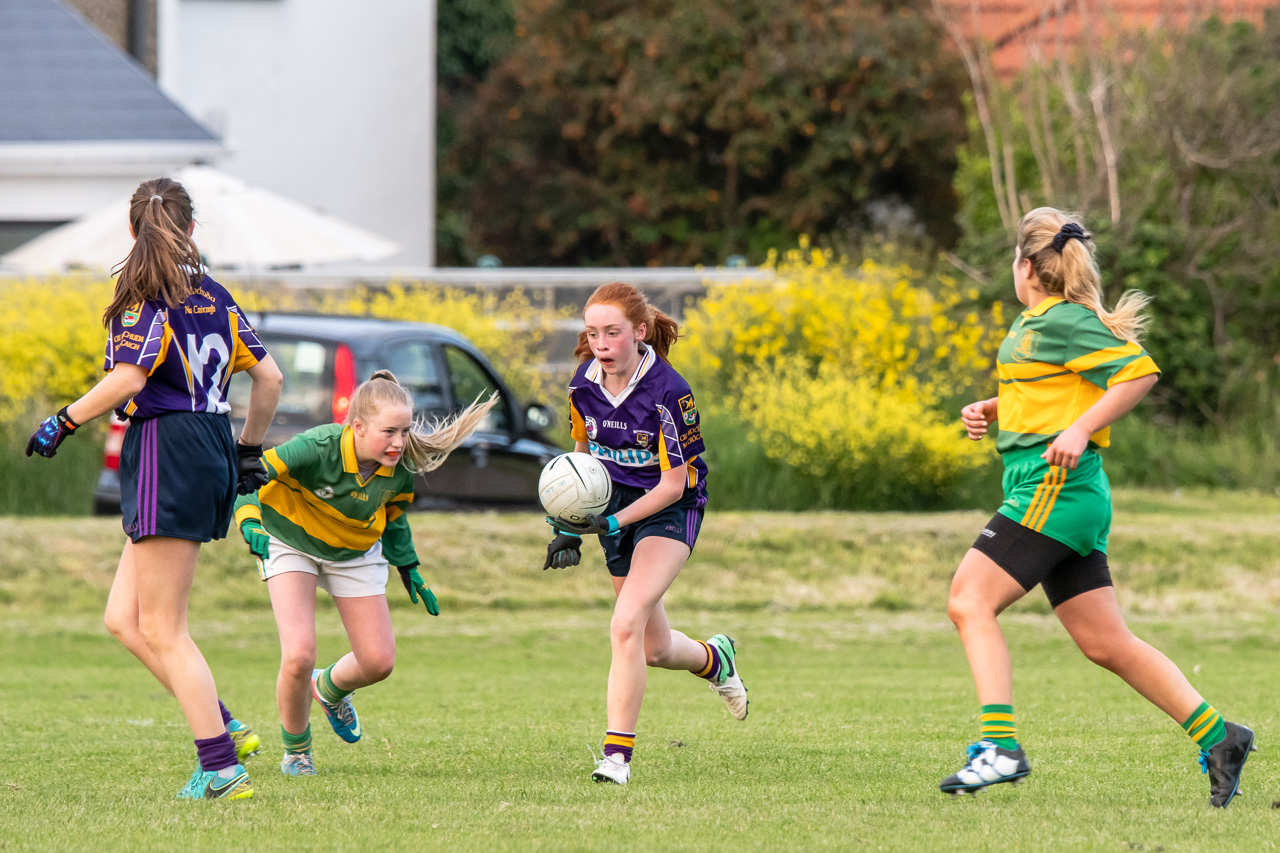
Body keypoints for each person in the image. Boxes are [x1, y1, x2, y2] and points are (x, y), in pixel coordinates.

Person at [940, 208, 1253, 806]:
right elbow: (1046, 392)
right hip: (1060, 493)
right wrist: (994, 407)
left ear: (1026, 267)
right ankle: (1222, 737)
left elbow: (1139, 373)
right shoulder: (1035, 325)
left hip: (1055, 489)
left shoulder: (1064, 321)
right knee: (1105, 642)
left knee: (968, 599)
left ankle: (998, 748)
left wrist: (1081, 430)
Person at [26, 177, 283, 800]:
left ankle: (221, 766)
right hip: (211, 442)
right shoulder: (216, 295)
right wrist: (248, 449)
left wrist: (64, 419)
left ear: (132, 231)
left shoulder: (144, 298)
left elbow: (129, 378)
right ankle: (221, 725)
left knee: (164, 626)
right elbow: (269, 379)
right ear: (192, 231)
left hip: (168, 448)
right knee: (125, 619)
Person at [233, 371, 496, 777]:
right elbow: (248, 477)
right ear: (357, 426)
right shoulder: (317, 446)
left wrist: (409, 568)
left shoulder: (399, 467)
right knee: (300, 654)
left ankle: (330, 690)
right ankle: (297, 752)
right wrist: (249, 522)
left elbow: (392, 518)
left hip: (353, 549)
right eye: (389, 431)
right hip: (287, 538)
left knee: (378, 662)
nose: (399, 442)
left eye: (405, 431)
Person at [544, 282, 748, 786]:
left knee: (624, 623)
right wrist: (567, 527)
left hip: (667, 510)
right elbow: (581, 462)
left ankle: (616, 757)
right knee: (652, 648)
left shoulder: (668, 391)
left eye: (612, 333)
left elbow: (673, 482)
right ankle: (714, 658)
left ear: (639, 333)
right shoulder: (582, 385)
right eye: (593, 333)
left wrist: (613, 522)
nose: (601, 344)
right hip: (611, 509)